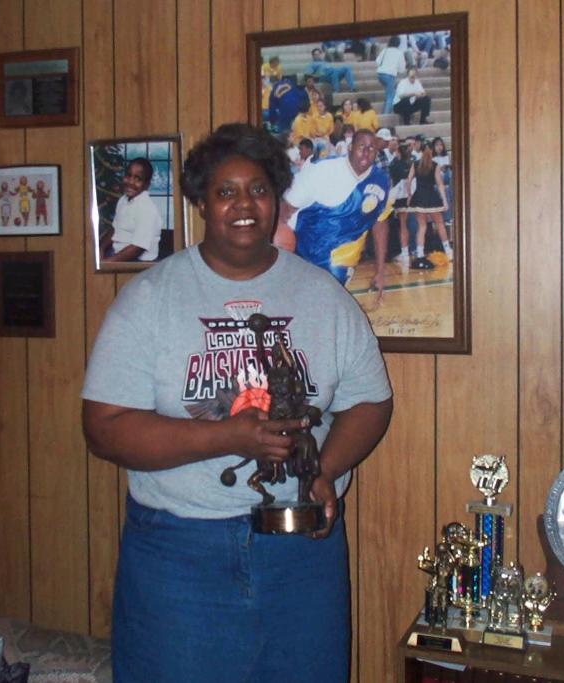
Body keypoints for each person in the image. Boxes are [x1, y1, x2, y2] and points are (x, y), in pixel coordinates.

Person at [81, 122, 393, 682]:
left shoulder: (325, 296)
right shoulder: (149, 299)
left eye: (259, 189)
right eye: (226, 191)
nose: (244, 204)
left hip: (303, 554)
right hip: (179, 552)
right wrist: (229, 437)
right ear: (201, 202)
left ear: (277, 199)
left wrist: (322, 470)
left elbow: (371, 401)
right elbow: (103, 427)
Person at [275, 129, 393, 300]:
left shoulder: (381, 181)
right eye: (361, 147)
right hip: (300, 251)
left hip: (339, 262)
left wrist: (380, 271)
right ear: (350, 147)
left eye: (371, 148)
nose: (366, 153)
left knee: (324, 308)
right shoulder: (321, 170)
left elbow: (380, 223)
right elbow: (286, 209)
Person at [99, 158, 163, 262]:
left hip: (138, 262)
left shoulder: (146, 208)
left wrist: (107, 263)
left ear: (147, 184)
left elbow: (138, 248)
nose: (131, 182)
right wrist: (101, 248)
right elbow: (115, 229)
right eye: (128, 176)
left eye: (138, 179)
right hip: (117, 253)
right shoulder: (123, 200)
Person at [406, 141, 452, 268]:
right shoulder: (435, 165)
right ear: (431, 151)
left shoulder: (415, 164)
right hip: (431, 197)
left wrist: (409, 195)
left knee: (422, 227)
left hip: (419, 197)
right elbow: (440, 184)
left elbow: (408, 180)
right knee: (440, 224)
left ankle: (420, 254)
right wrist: (444, 200)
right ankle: (448, 252)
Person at [375, 36, 407, 114]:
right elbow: (402, 69)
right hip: (390, 76)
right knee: (390, 96)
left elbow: (377, 61)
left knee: (389, 93)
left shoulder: (385, 50)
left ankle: (386, 110)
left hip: (380, 74)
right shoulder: (399, 53)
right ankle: (385, 115)